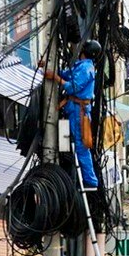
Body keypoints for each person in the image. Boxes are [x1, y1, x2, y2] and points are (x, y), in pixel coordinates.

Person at [45, 39, 102, 189]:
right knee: (74, 144)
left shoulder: (86, 69)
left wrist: (55, 78)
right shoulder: (82, 66)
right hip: (74, 108)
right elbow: (66, 74)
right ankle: (83, 178)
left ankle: (90, 180)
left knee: (82, 146)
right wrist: (48, 68)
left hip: (79, 110)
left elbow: (72, 88)